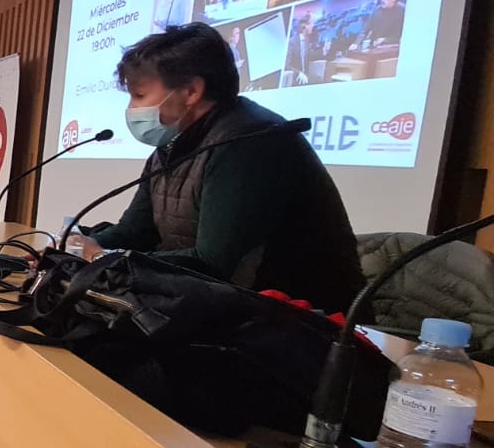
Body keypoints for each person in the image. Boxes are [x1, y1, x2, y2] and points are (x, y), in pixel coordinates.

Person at [87, 22, 363, 313]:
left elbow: (214, 265)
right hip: (228, 312)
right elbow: (136, 230)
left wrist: (108, 258)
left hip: (306, 324)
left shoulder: (250, 141)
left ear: (192, 91)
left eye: (140, 96)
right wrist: (79, 245)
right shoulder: (172, 145)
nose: (132, 108)